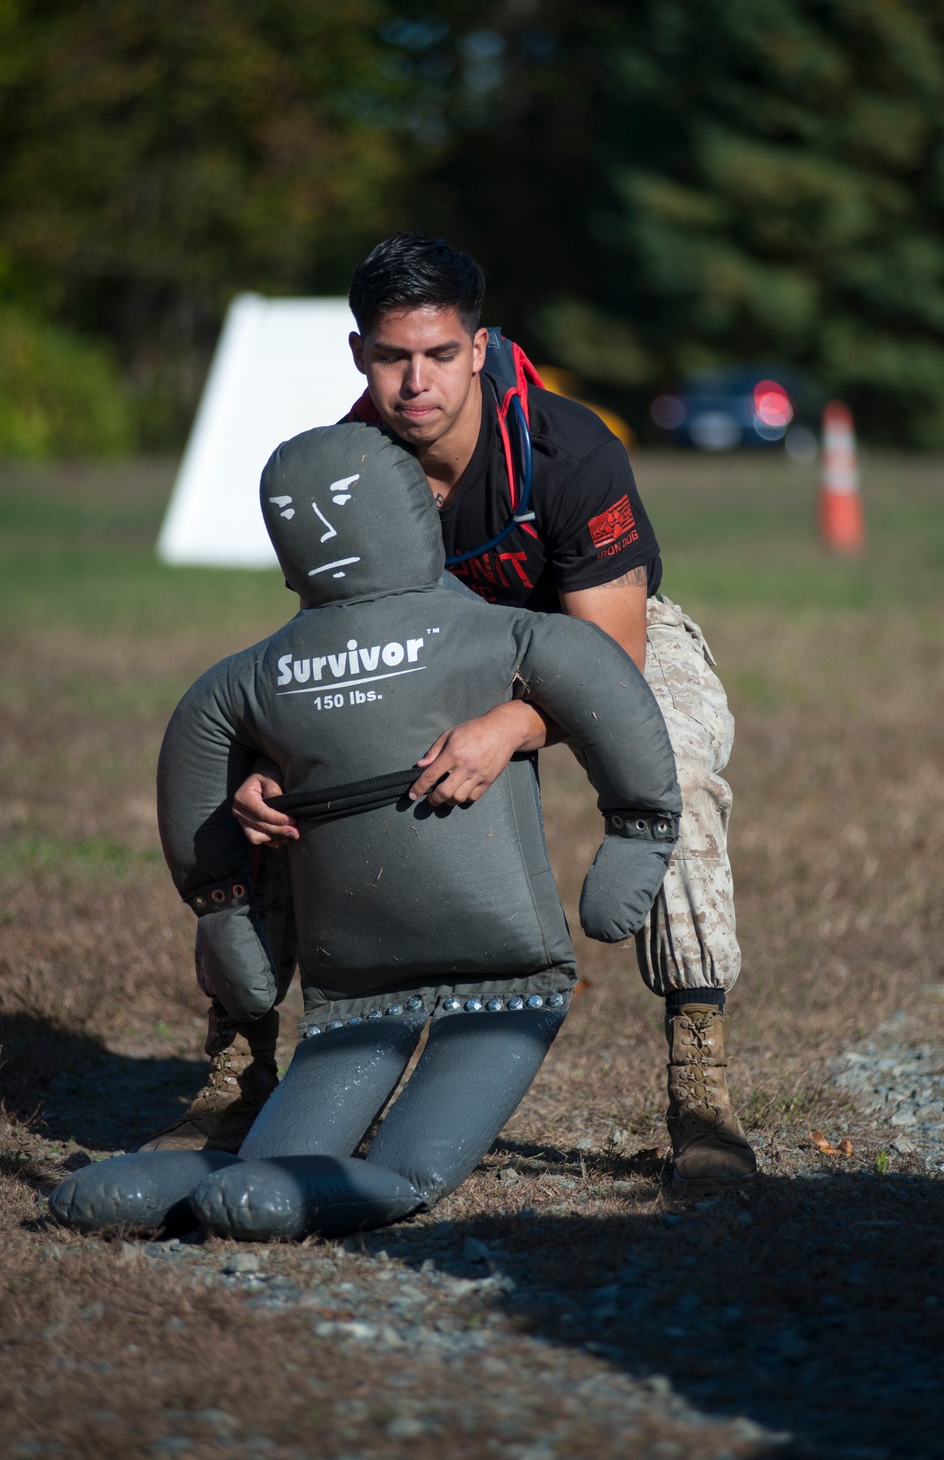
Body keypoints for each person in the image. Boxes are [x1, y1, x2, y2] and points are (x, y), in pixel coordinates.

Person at [144, 231, 756, 1192]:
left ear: (478, 347)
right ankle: (239, 1069)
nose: (415, 381)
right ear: (359, 355)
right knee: (266, 786)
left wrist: (511, 725)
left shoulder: (571, 449)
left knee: (672, 754)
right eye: (392, 356)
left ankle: (700, 1083)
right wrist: (275, 761)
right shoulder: (341, 466)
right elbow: (321, 650)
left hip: (595, 637)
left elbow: (610, 659)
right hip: (422, 663)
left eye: (438, 354)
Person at [51, 422, 680, 1239]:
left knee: (400, 1153)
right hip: (370, 987)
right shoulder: (307, 666)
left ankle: (312, 1181)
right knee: (284, 1152)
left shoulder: (300, 662)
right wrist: (225, 900)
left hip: (492, 974)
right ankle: (232, 1176)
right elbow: (201, 755)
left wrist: (635, 827)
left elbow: (604, 676)